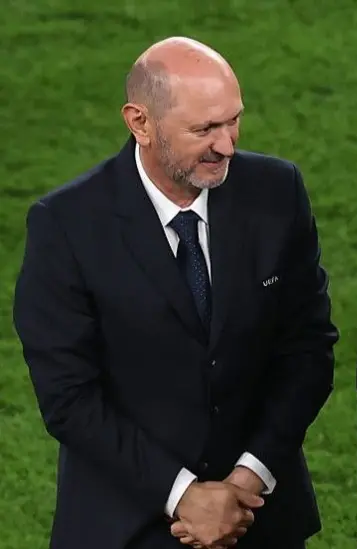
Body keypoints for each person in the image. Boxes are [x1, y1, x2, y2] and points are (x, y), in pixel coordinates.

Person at [12, 36, 339, 549]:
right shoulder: (67, 226)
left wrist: (246, 480)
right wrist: (185, 495)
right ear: (140, 123)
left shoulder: (277, 193)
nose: (228, 144)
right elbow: (69, 397)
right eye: (205, 129)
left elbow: (308, 349)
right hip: (129, 527)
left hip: (259, 521)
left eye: (234, 120)